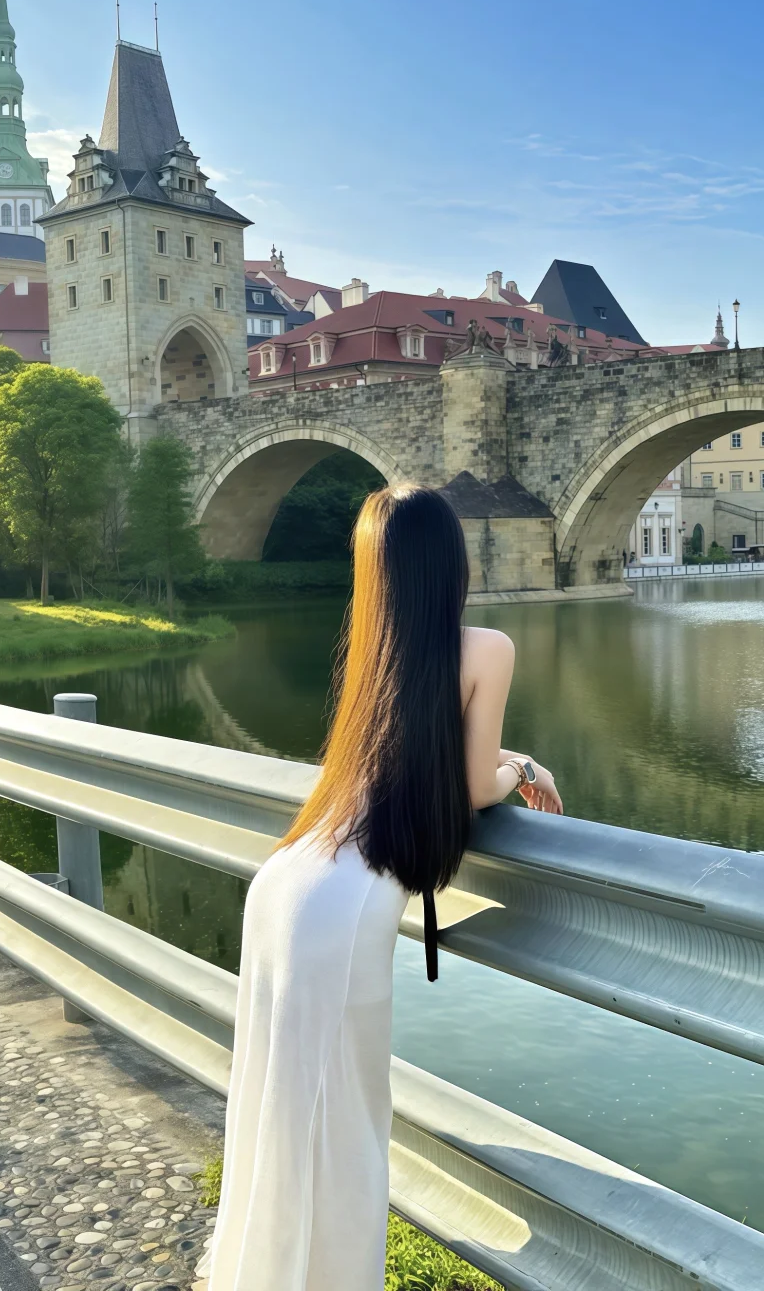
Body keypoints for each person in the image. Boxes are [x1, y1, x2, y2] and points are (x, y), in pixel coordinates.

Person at [197, 484, 562, 1291]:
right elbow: (475, 784)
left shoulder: (372, 657)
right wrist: (526, 769)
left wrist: (502, 765)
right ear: (451, 563)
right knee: (347, 1129)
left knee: (277, 1110)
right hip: (343, 908)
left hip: (287, 886)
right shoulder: (487, 648)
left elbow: (435, 766)